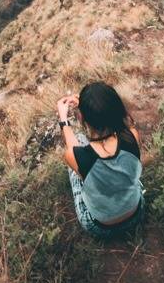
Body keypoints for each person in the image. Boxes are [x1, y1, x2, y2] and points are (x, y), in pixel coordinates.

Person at [56, 81, 145, 238]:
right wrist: (90, 106)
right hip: (136, 212)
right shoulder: (132, 136)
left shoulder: (77, 156)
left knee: (76, 162)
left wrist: (63, 119)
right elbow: (121, 126)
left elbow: (73, 149)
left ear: (82, 117)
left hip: (100, 227)